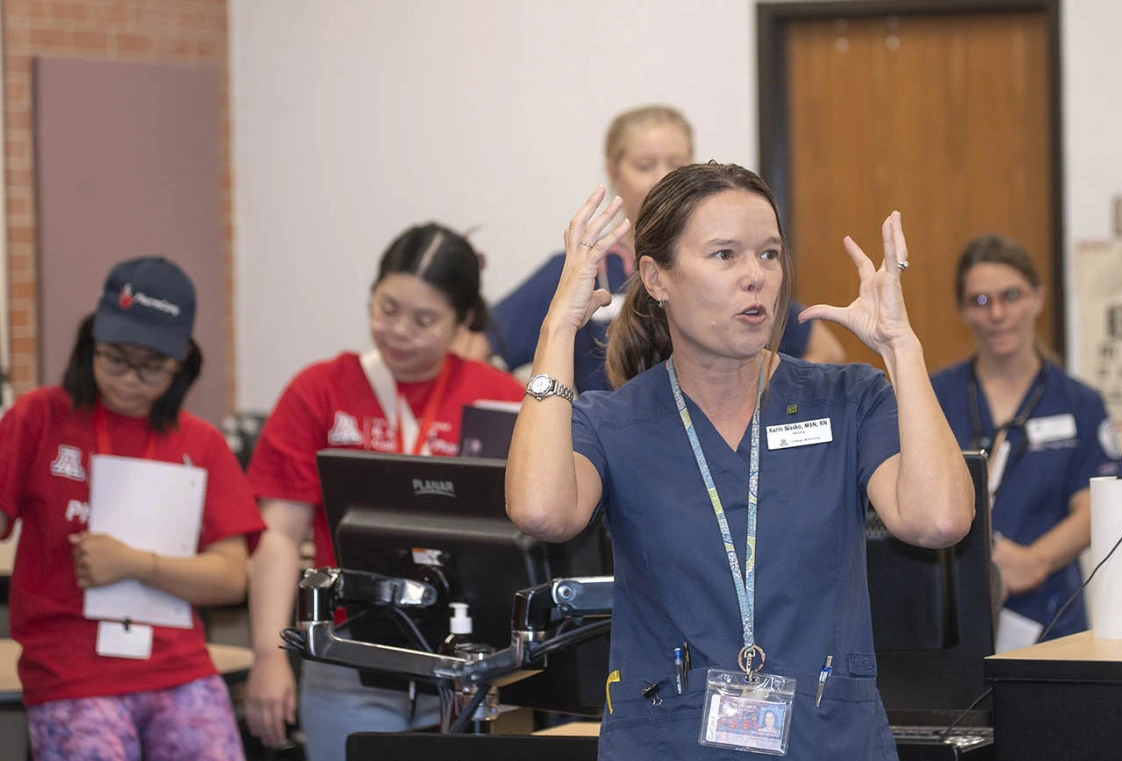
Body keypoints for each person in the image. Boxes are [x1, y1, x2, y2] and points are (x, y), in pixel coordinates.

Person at [505, 163, 974, 759]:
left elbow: (938, 521)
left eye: (770, 254)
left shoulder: (849, 399)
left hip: (825, 738)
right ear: (656, 278)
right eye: (725, 255)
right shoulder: (613, 420)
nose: (756, 277)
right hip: (669, 740)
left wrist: (901, 348)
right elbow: (542, 511)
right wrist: (559, 326)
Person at [244, 223, 526, 760]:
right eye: (386, 308)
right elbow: (279, 536)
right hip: (349, 657)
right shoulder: (319, 391)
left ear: (463, 321)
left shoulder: (500, 400)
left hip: (468, 665)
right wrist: (267, 654)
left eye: (424, 320)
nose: (398, 331)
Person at [0, 257, 265, 761]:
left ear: (182, 364)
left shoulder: (201, 442)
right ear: (90, 343)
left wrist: (136, 564)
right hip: (71, 669)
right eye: (114, 358)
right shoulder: (39, 418)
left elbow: (232, 578)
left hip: (176, 665)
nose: (128, 380)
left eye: (152, 368)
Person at [460, 105, 845, 390]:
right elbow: (470, 353)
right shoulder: (585, 268)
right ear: (613, 171)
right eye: (645, 165)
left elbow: (827, 351)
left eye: (675, 163)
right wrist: (542, 410)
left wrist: (754, 401)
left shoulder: (734, 269)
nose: (662, 177)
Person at [931, 234, 1122, 645]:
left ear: (1038, 298)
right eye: (981, 301)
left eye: (1011, 296)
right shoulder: (933, 397)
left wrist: (1033, 562)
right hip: (955, 611)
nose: (997, 313)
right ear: (962, 311)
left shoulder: (1080, 404)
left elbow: (1095, 508)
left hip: (1050, 615)